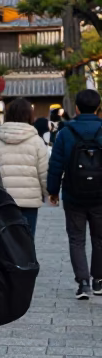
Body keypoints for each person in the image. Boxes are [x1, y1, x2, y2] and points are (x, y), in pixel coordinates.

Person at [47, 87, 102, 299]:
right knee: (100, 238)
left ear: (76, 108)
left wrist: (52, 191)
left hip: (73, 194)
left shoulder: (65, 132)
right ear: (97, 107)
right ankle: (98, 281)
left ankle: (83, 284)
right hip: (100, 196)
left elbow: (56, 164)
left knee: (76, 239)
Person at [0, 97, 49, 240]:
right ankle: (26, 262)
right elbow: (44, 171)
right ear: (29, 115)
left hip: (4, 201)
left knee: (6, 242)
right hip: (29, 201)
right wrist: (48, 193)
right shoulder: (36, 141)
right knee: (27, 240)